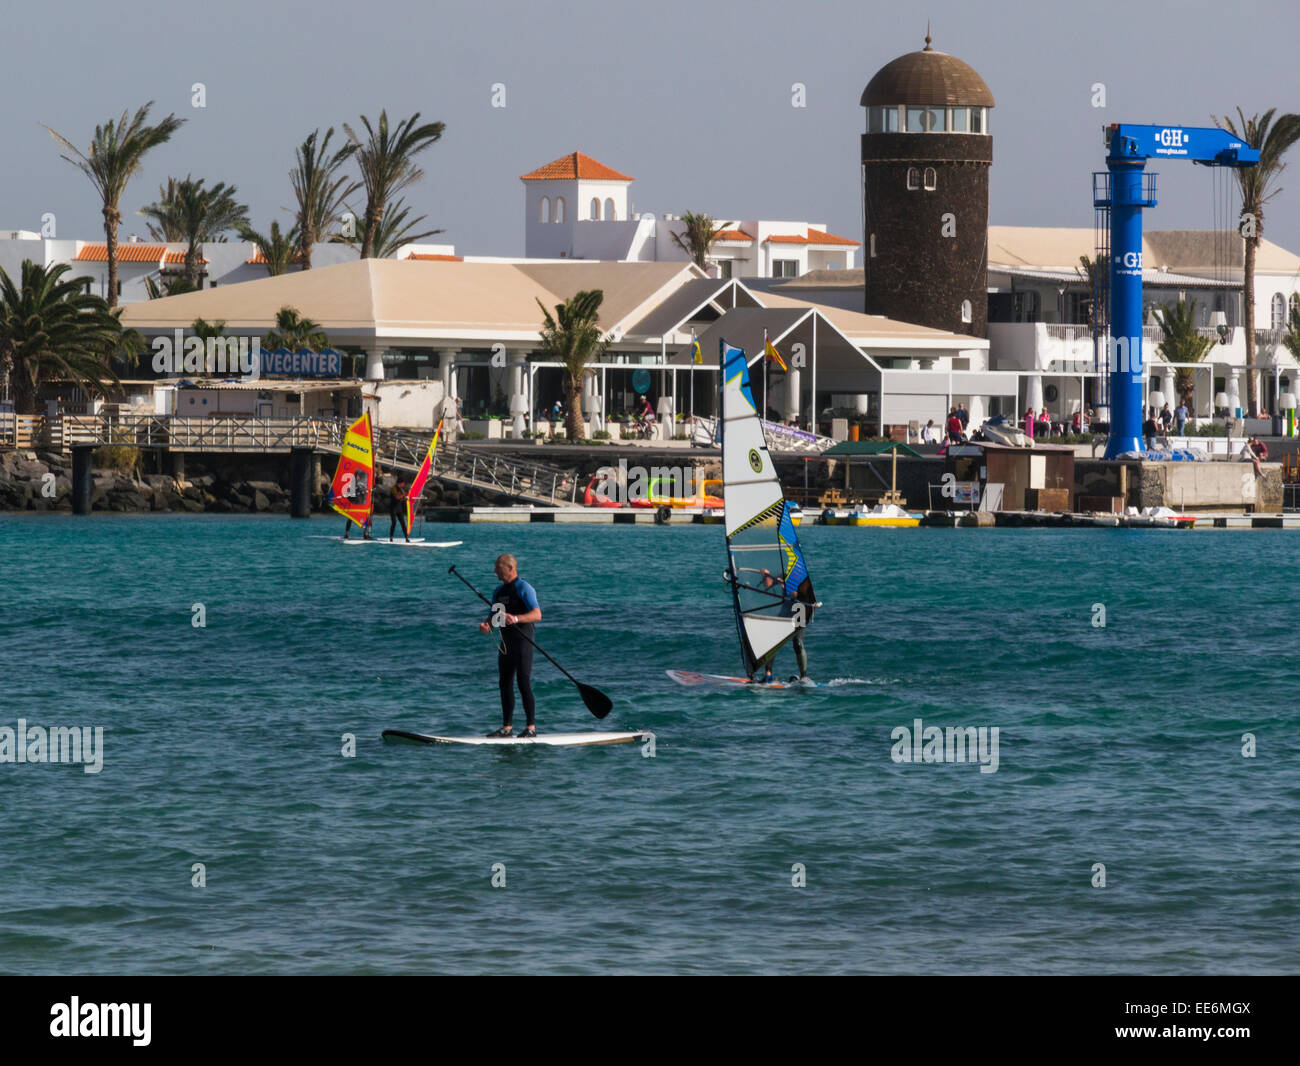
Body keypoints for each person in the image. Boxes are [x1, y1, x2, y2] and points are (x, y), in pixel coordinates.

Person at [478, 554, 543, 737]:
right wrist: (487, 625)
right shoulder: (498, 591)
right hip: (505, 642)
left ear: (510, 568)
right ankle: (507, 728)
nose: (494, 571)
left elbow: (537, 614)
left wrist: (516, 618)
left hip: (523, 641)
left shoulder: (524, 588)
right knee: (504, 683)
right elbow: (494, 616)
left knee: (523, 682)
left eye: (498, 567)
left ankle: (531, 728)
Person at [757, 568, 809, 683]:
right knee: (772, 642)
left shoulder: (802, 579)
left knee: (797, 642)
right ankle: (768, 674)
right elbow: (768, 585)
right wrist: (765, 575)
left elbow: (798, 594)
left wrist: (788, 589)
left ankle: (803, 676)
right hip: (785, 611)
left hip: (799, 611)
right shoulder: (784, 575)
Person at [341, 471, 372, 540]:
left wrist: (367, 491)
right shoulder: (351, 485)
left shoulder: (361, 484)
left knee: (364, 519)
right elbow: (348, 495)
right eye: (356, 477)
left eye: (358, 477)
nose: (357, 478)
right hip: (353, 505)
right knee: (350, 519)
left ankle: (365, 534)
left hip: (361, 504)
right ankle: (346, 534)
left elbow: (364, 492)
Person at [388, 476, 410, 542]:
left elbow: (402, 497)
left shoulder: (401, 490)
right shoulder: (393, 488)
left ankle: (406, 538)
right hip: (393, 508)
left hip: (399, 509)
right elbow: (397, 497)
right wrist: (404, 495)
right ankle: (391, 537)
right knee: (394, 522)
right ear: (400, 483)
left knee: (403, 523)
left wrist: (406, 497)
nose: (404, 485)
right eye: (403, 483)